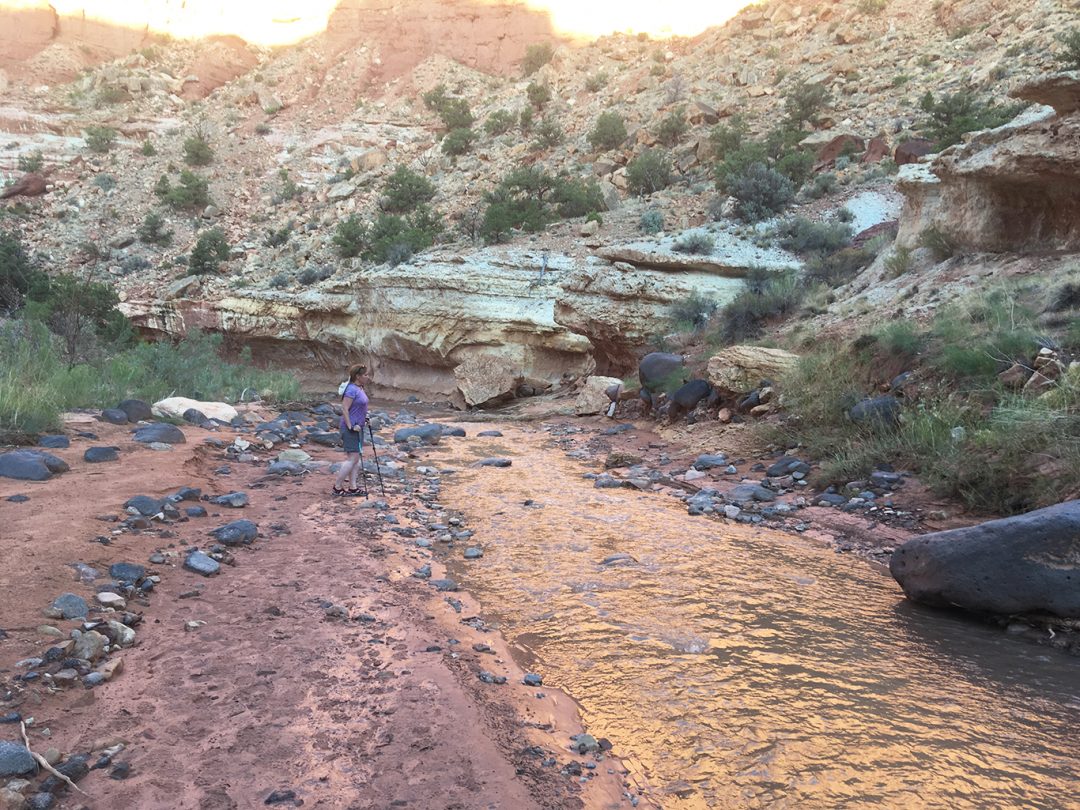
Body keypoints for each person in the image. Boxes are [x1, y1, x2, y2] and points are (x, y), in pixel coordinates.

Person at [333, 363, 370, 496]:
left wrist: (364, 419)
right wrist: (350, 426)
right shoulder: (351, 390)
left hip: (358, 428)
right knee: (352, 458)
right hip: (351, 428)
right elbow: (344, 408)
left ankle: (353, 487)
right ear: (358, 376)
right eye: (365, 375)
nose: (368, 377)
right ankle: (337, 487)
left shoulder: (360, 388)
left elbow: (359, 407)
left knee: (356, 458)